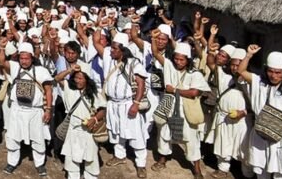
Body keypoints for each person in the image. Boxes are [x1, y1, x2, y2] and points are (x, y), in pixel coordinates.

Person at [238, 45, 282, 179]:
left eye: (278, 72)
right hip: (260, 135)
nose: (273, 75)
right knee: (262, 173)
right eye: (270, 71)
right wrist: (249, 55)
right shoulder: (259, 83)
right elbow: (241, 71)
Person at [150, 40, 210, 179]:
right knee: (164, 133)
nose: (178, 62)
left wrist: (175, 90)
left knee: (191, 139)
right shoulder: (170, 66)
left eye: (181, 59)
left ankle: (196, 168)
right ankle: (163, 159)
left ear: (187, 60)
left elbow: (194, 93)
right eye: (176, 58)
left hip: (186, 110)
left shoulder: (194, 74)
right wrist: (154, 39)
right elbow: (155, 53)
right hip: (169, 106)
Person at [0, 41, 53, 176]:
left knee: (38, 138)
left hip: (35, 111)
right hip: (17, 109)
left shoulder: (41, 71)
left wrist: (48, 109)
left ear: (32, 57)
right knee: (13, 137)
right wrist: (2, 47)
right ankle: (12, 162)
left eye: (27, 58)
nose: (24, 61)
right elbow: (0, 61)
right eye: (22, 58)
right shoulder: (15, 67)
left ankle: (39, 164)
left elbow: (49, 91)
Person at [100, 33, 149, 178]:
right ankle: (119, 156)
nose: (111, 51)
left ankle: (141, 164)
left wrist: (136, 103)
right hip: (113, 104)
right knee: (116, 131)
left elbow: (141, 84)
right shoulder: (111, 61)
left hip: (128, 103)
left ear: (123, 50)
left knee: (136, 135)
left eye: (114, 48)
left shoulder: (134, 63)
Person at [207, 43, 252, 179]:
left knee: (243, 147)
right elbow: (210, 63)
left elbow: (255, 105)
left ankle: (247, 174)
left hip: (243, 120)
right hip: (224, 117)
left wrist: (242, 112)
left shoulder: (252, 82)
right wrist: (211, 51)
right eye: (232, 64)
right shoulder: (224, 77)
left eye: (238, 65)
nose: (234, 67)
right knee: (223, 144)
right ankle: (222, 170)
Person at [57, 63, 106, 179]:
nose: (77, 81)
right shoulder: (69, 88)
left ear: (87, 80)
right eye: (76, 77)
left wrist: (94, 119)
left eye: (80, 78)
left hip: (88, 131)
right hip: (73, 129)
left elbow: (102, 110)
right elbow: (57, 78)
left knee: (90, 159)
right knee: (71, 160)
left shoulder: (94, 94)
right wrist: (70, 70)